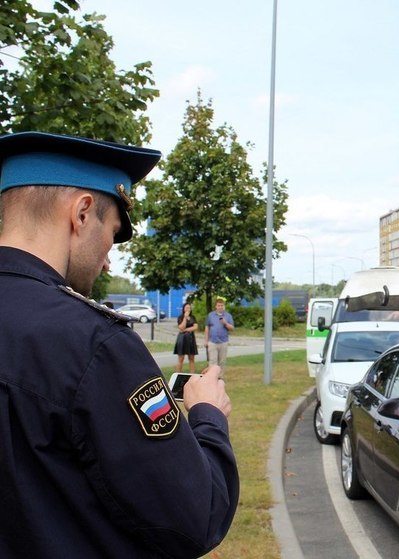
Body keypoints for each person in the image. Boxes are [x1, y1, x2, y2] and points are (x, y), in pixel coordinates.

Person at [0, 131, 238, 558]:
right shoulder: (94, 344)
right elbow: (197, 515)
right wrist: (207, 416)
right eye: (113, 232)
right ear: (83, 213)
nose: (108, 258)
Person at [205, 297, 235, 377]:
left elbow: (232, 328)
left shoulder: (228, 316)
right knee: (212, 361)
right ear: (216, 306)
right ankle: (212, 377)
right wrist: (206, 340)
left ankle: (220, 378)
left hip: (223, 342)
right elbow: (207, 327)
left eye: (222, 305)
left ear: (224, 306)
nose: (220, 307)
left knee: (222, 361)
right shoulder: (211, 315)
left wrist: (225, 323)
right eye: (219, 305)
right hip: (212, 342)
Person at [174, 301, 199, 373]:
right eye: (187, 307)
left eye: (189, 308)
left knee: (191, 358)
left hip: (191, 339)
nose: (188, 309)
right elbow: (181, 327)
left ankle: (192, 375)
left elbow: (195, 327)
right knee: (180, 358)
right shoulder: (180, 317)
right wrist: (185, 318)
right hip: (182, 339)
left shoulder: (193, 317)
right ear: (183, 309)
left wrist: (186, 330)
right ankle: (178, 374)